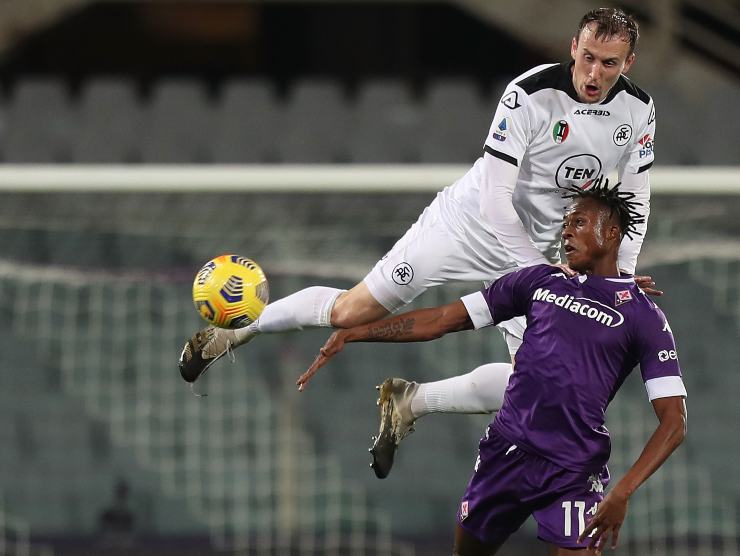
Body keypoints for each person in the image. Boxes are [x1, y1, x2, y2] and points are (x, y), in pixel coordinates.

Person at [179, 7, 659, 472]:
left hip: (540, 250)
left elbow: (635, 198)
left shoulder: (637, 111)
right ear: (573, 47)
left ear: (627, 64)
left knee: (538, 384)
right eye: (588, 57)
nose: (594, 72)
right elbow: (495, 198)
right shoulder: (529, 95)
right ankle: (235, 330)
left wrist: (622, 278)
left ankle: (410, 401)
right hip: (468, 226)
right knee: (351, 312)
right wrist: (538, 271)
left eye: (609, 63)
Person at [296, 181, 687, 555]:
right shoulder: (540, 282)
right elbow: (445, 318)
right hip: (506, 453)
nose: (566, 233)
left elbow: (674, 422)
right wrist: (360, 331)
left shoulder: (643, 316)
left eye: (579, 223)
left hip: (573, 469)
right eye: (564, 224)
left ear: (613, 232)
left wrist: (623, 492)